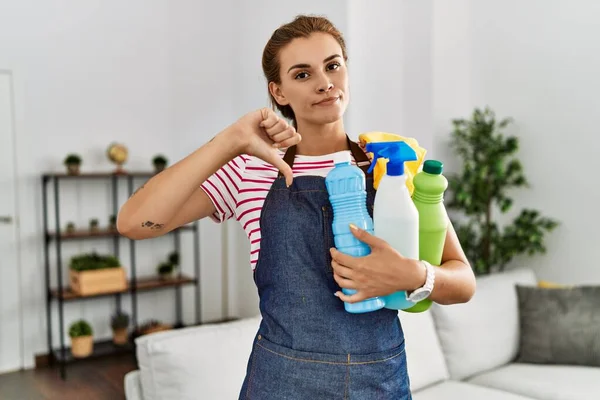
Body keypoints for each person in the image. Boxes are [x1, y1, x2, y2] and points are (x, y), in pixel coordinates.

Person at [117, 14, 476, 400]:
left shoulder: (392, 163)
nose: (324, 83)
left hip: (380, 383)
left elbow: (463, 281)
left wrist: (413, 274)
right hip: (281, 383)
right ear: (279, 92)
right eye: (302, 74)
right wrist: (231, 140)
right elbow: (135, 222)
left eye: (333, 65)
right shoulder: (251, 168)